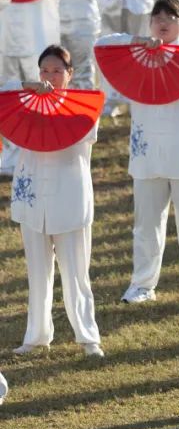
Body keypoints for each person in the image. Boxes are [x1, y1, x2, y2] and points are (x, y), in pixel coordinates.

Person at [96, 0, 179, 307]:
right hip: (147, 155)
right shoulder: (136, 58)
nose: (163, 22)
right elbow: (101, 45)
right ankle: (142, 286)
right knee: (146, 226)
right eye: (157, 17)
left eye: (171, 17)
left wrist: (174, 50)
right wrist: (138, 42)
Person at [6, 45, 103, 358]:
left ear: (69, 74)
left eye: (57, 71)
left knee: (76, 272)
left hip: (68, 196)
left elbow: (81, 133)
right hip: (33, 196)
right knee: (37, 272)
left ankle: (88, 338)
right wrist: (25, 88)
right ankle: (36, 336)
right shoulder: (24, 104)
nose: (50, 77)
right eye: (44, 71)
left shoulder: (83, 107)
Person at [0, 0, 63, 175]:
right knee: (7, 101)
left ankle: (38, 149)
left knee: (37, 101)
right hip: (5, 49)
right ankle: (10, 154)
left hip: (36, 49)